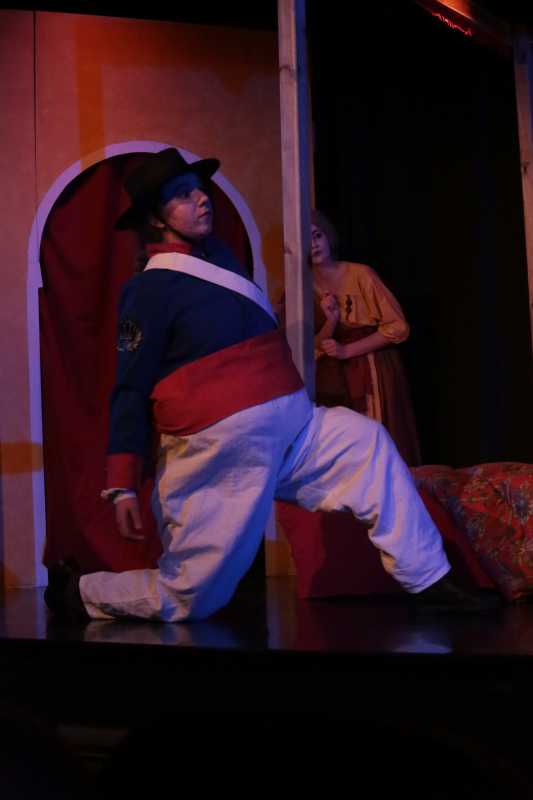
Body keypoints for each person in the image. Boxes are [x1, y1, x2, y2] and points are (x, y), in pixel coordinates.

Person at [44, 148, 499, 623]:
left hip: (296, 430)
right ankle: (82, 592)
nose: (201, 199)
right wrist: (121, 484)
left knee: (366, 444)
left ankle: (429, 578)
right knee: (189, 598)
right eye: (182, 195)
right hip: (223, 454)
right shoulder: (146, 290)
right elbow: (131, 386)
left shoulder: (222, 260)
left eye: (199, 189)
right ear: (156, 220)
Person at [310, 209, 421, 465]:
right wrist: (332, 321)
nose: (313, 245)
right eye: (305, 240)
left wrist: (347, 351)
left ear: (327, 237)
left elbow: (398, 327)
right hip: (330, 375)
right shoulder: (301, 287)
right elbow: (310, 345)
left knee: (377, 438)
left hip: (370, 366)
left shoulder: (361, 274)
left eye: (317, 235)